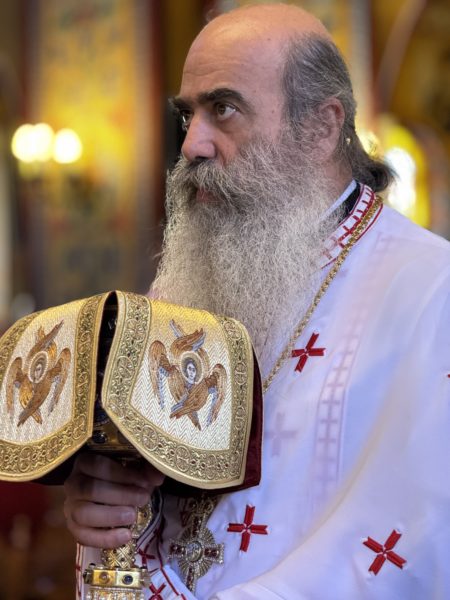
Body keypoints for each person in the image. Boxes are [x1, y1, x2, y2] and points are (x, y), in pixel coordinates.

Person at [63, 4, 450, 599]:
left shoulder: (429, 291)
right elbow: (138, 505)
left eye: (223, 109)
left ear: (321, 127)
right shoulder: (180, 294)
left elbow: (415, 541)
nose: (192, 145)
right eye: (187, 114)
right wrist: (106, 516)